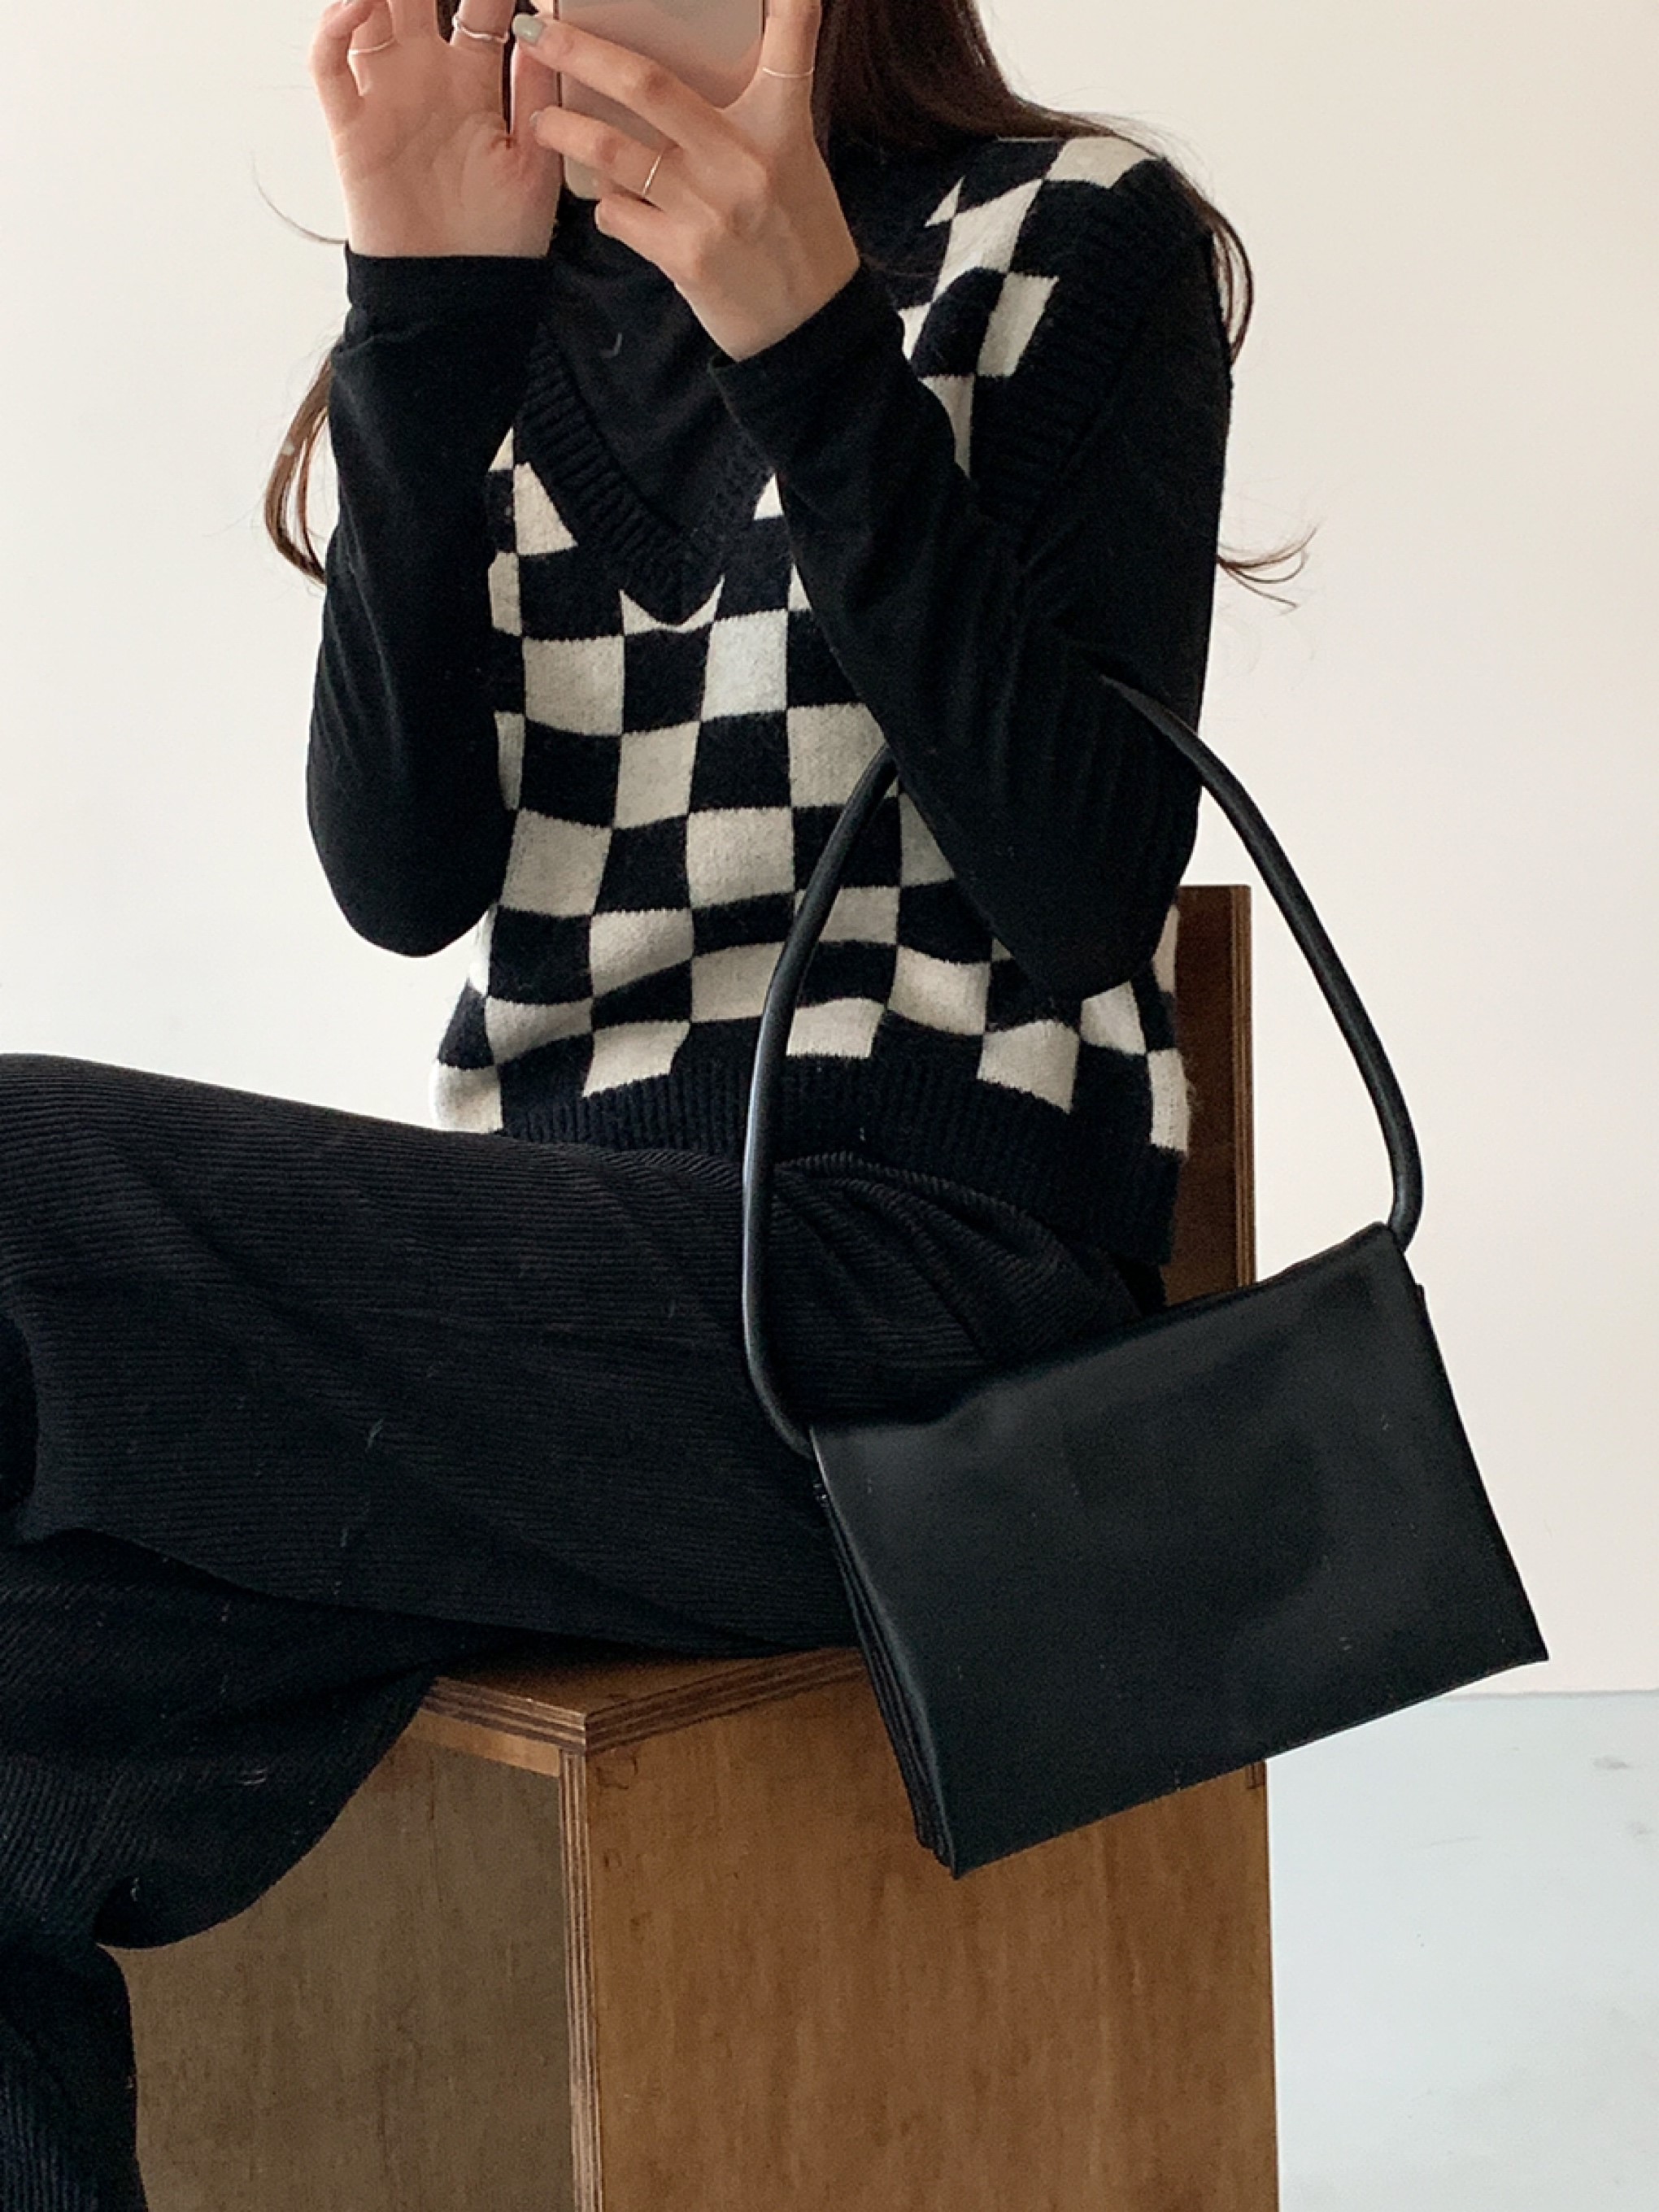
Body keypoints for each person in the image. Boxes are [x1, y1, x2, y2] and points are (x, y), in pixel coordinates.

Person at [0, 0, 1292, 2199]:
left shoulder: (1076, 238)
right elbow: (401, 879)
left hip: (925, 1321)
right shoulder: (512, 294)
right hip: (565, 1344)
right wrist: (422, 315)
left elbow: (1081, 885)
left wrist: (809, 340)